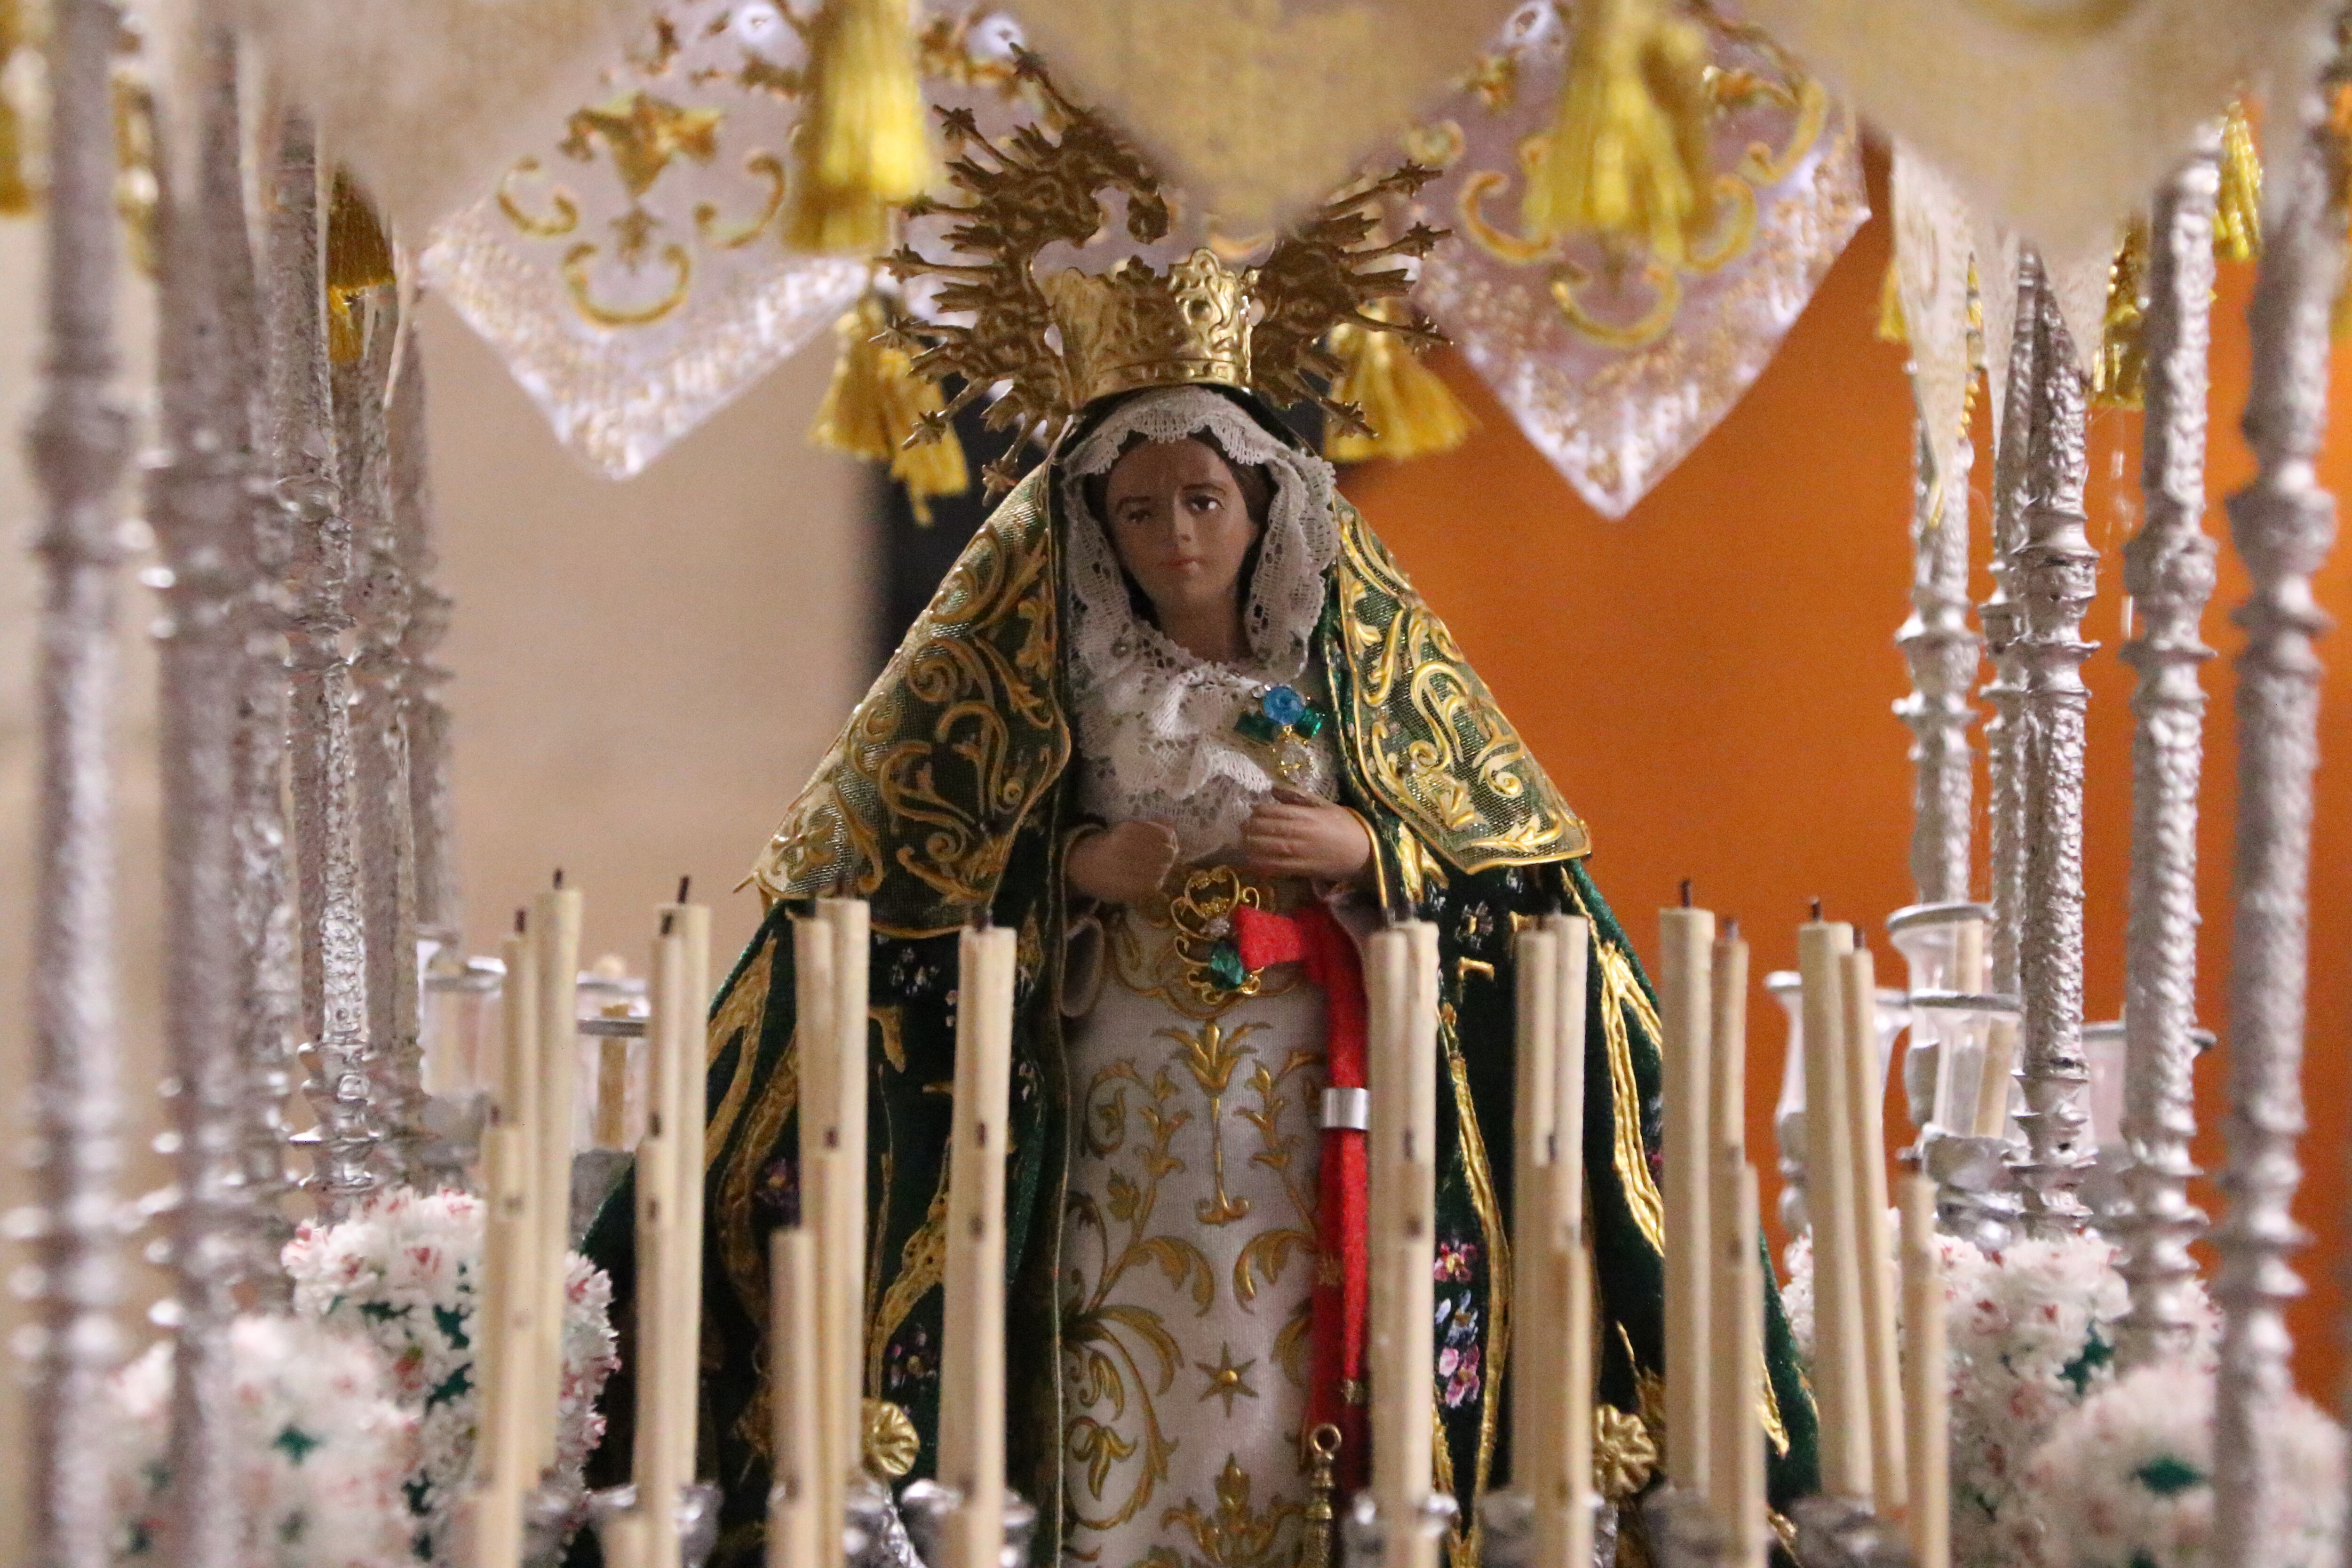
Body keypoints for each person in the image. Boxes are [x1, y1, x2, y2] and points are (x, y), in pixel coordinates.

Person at [582, 65, 1816, 1568]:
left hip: (1314, 1088)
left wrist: (1374, 855)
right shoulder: (1053, 678)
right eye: (1141, 509)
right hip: (1111, 1083)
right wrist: (1066, 870)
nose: (1175, 535)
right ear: (1095, 529)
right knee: (1115, 1342)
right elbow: (894, 891)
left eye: (1203, 502)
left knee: (1297, 1346)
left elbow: (1521, 890)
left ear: (1264, 506)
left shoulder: (1356, 661)